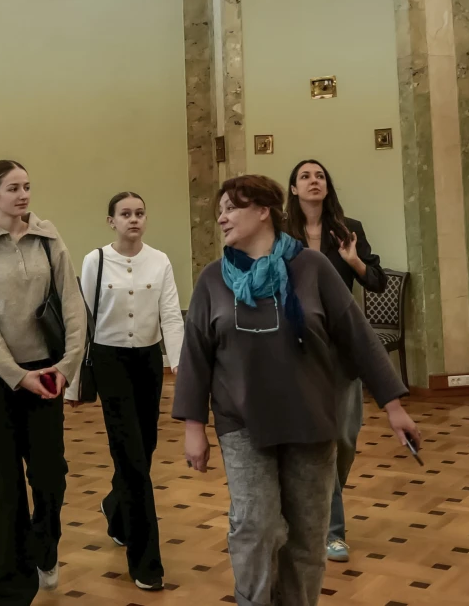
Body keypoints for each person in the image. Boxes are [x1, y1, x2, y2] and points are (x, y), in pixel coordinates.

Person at [173, 176, 419, 606]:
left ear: (263, 211)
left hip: (310, 419)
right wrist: (194, 427)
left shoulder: (312, 267)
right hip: (241, 421)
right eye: (220, 210)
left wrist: (393, 406)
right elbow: (195, 354)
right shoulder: (212, 279)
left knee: (307, 532)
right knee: (256, 525)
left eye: (231, 208)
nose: (222, 218)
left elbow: (358, 336)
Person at [0, 160, 86, 606]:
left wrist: (67, 367)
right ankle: (12, 589)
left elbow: (72, 303)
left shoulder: (48, 238)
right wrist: (18, 376)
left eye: (27, 187)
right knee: (4, 484)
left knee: (51, 476)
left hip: (47, 372)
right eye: (13, 188)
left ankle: (45, 544)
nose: (23, 195)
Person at [67, 192, 182, 591]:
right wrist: (72, 382)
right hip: (109, 361)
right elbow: (81, 321)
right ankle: (146, 561)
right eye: (125, 214)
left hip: (148, 363)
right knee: (131, 456)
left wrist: (179, 362)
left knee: (144, 450)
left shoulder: (160, 260)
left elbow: (171, 314)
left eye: (139, 213)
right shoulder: (95, 260)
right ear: (111, 221)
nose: (134, 219)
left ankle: (115, 509)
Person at [284, 159, 387, 563]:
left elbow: (376, 281)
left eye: (320, 176)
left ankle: (318, 504)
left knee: (344, 437)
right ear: (294, 189)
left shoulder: (348, 229)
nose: (314, 181)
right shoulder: (282, 233)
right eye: (305, 176)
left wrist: (353, 259)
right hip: (296, 348)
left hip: (341, 349)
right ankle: (332, 531)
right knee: (316, 439)